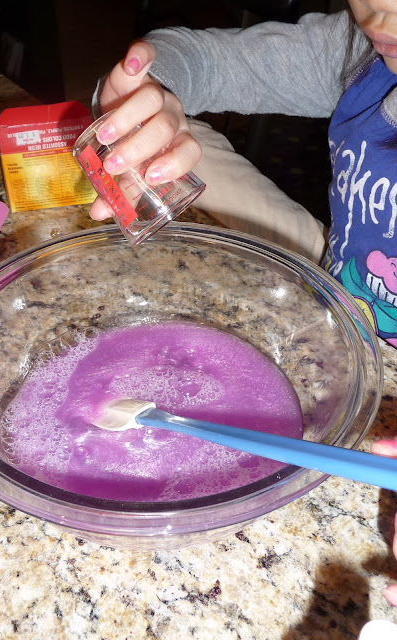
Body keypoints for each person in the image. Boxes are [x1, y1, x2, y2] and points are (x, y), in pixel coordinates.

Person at [88, 0, 397, 614]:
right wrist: (143, 98)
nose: (375, 18)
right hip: (336, 277)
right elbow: (200, 58)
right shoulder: (358, 49)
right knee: (184, 145)